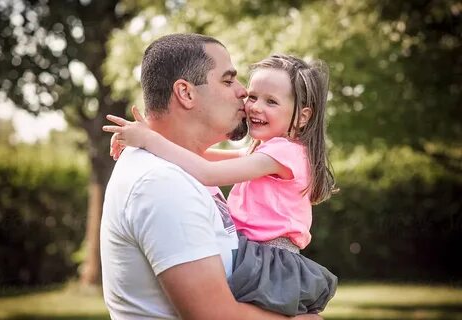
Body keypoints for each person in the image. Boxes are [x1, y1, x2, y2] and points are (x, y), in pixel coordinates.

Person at [100, 33, 322, 320]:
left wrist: (149, 137)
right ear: (186, 93)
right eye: (228, 81)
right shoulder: (161, 184)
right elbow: (215, 315)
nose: (244, 94)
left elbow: (208, 165)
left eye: (271, 101)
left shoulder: (179, 169)